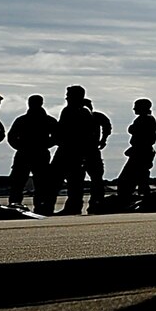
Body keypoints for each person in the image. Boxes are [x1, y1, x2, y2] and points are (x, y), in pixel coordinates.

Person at [49, 85, 107, 216]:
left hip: (72, 151)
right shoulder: (69, 110)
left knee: (73, 180)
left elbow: (81, 134)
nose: (67, 97)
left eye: (69, 95)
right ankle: (64, 206)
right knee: (60, 179)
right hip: (67, 149)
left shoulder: (82, 112)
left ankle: (74, 207)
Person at [4, 94, 56, 211]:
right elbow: (11, 136)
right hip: (25, 153)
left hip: (39, 154)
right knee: (18, 181)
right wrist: (19, 147)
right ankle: (15, 204)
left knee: (40, 182)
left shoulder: (48, 120)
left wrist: (45, 145)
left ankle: (40, 206)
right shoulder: (22, 120)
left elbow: (57, 136)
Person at [112, 98, 156, 201]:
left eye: (136, 106)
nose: (134, 109)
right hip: (139, 151)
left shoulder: (146, 119)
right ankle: (139, 196)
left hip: (141, 153)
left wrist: (137, 148)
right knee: (138, 178)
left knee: (128, 179)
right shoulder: (144, 119)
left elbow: (140, 134)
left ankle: (136, 198)